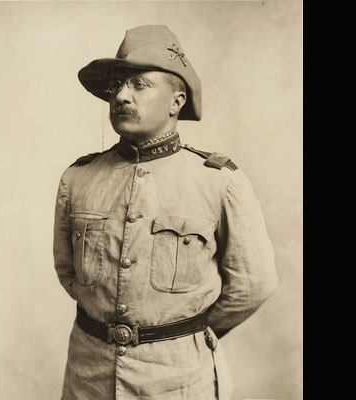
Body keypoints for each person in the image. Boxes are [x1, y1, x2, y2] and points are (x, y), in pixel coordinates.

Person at [53, 25, 278, 400]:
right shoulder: (78, 178)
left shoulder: (219, 182)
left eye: (139, 84)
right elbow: (68, 272)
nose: (122, 96)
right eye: (116, 86)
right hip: (88, 375)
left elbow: (253, 284)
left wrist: (181, 334)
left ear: (176, 101)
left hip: (178, 381)